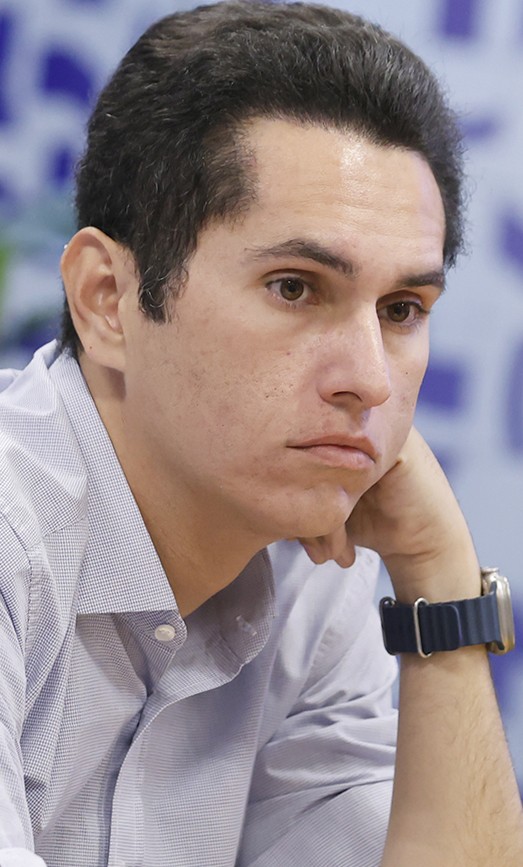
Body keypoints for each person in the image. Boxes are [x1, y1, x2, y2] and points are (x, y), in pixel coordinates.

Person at [0, 1, 522, 864]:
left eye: (401, 309)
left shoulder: (318, 583)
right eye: (294, 287)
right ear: (107, 299)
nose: (368, 378)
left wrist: (437, 581)